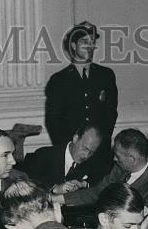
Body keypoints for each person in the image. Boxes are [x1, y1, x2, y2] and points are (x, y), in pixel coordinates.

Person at [44, 20, 119, 148]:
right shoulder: (59, 80)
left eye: (92, 42)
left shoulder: (106, 75)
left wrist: (101, 140)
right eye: (84, 42)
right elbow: (53, 121)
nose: (89, 47)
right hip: (72, 149)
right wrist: (66, 149)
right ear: (73, 45)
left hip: (100, 150)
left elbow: (111, 113)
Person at [58, 129, 148, 211]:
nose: (114, 159)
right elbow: (97, 193)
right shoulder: (120, 168)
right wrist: (57, 199)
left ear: (132, 159)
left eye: (117, 156)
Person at [22, 122, 110, 199]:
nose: (86, 156)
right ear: (75, 138)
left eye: (91, 152)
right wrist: (53, 189)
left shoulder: (93, 162)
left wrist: (83, 184)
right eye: (85, 149)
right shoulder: (43, 155)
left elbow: (99, 182)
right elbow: (29, 188)